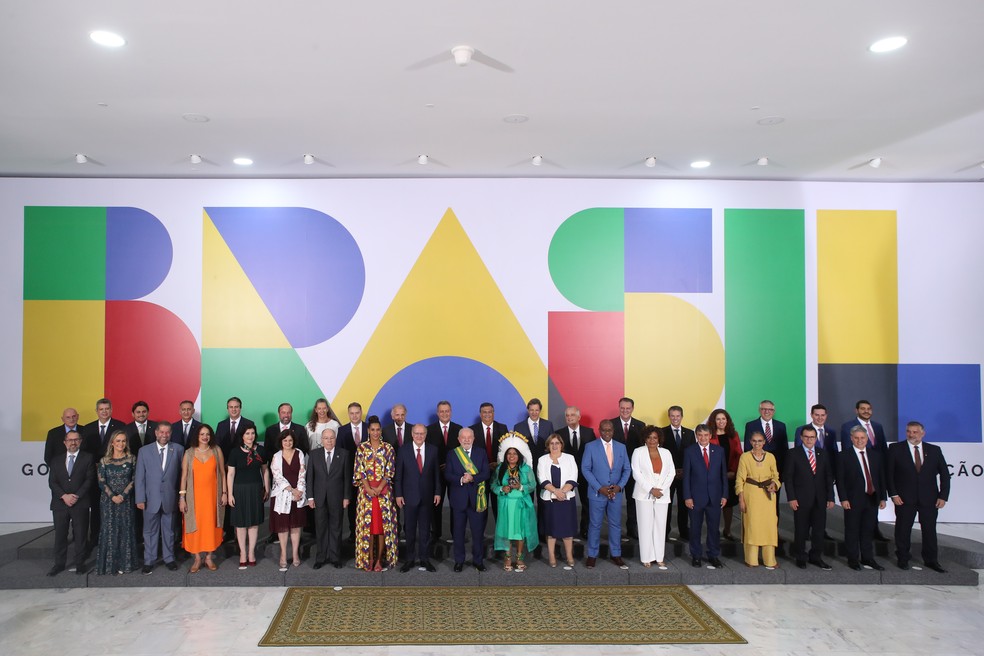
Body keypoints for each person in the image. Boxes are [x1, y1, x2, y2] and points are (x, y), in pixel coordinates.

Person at [886, 421, 950, 573]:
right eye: (908, 431)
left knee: (929, 530)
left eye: (915, 432)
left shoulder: (934, 450)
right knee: (903, 530)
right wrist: (893, 494)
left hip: (930, 499)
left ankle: (931, 560)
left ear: (923, 433)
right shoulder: (895, 448)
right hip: (903, 498)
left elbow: (945, 475)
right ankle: (903, 558)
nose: (911, 434)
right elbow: (889, 474)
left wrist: (943, 496)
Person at [582, 420, 631, 569]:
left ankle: (616, 554)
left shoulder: (621, 447)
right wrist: (599, 488)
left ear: (613, 430)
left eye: (609, 430)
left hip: (615, 494)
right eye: (604, 430)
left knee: (616, 525)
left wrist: (619, 486)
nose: (607, 433)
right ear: (599, 430)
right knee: (595, 525)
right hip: (597, 494)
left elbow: (627, 469)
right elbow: (585, 469)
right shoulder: (590, 447)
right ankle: (592, 555)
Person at [784, 425, 835, 570]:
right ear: (801, 438)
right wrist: (791, 498)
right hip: (800, 499)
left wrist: (831, 497)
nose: (809, 439)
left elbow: (828, 477)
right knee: (801, 530)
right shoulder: (793, 453)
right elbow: (788, 478)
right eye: (806, 437)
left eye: (812, 437)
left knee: (819, 530)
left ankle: (816, 557)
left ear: (816, 438)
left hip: (820, 499)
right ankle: (800, 556)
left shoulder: (822, 453)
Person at [135, 421, 183, 574]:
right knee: (149, 531)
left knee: (169, 531)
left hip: (170, 498)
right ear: (156, 433)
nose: (164, 435)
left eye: (167, 432)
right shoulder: (144, 451)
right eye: (161, 432)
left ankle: (169, 558)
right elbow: (140, 477)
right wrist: (140, 498)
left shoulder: (179, 449)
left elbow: (182, 476)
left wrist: (181, 496)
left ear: (171, 433)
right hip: (150, 499)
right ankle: (149, 560)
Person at [837, 425, 887, 571]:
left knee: (868, 529)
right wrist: (843, 498)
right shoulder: (843, 456)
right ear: (851, 438)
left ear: (867, 439)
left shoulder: (876, 455)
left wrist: (882, 497)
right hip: (852, 499)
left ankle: (868, 558)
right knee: (852, 530)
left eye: (862, 438)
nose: (860, 440)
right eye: (856, 438)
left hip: (871, 498)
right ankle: (853, 559)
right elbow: (840, 480)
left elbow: (880, 478)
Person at [840, 399, 890, 541]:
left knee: (872, 508)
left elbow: (883, 448)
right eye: (863, 408)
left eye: (868, 408)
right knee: (855, 521)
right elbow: (847, 450)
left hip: (874, 469)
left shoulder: (878, 427)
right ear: (857, 410)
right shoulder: (847, 426)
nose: (866, 411)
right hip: (857, 473)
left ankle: (875, 530)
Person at [179, 424, 226, 573]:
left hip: (213, 497)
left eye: (207, 434)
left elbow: (223, 474)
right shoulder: (189, 453)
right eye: (202, 434)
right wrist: (182, 497)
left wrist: (224, 492)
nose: (205, 437)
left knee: (211, 526)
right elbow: (184, 476)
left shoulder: (216, 451)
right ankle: (197, 558)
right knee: (195, 527)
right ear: (197, 437)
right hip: (194, 499)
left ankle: (209, 557)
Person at [354, 415, 398, 571]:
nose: (375, 432)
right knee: (368, 528)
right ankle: (368, 559)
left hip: (383, 493)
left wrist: (379, 488)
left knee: (381, 529)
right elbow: (359, 471)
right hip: (366, 495)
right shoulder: (361, 448)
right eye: (372, 429)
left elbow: (390, 471)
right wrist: (368, 488)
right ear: (368, 430)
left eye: (378, 429)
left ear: (381, 431)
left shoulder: (388, 448)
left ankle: (379, 559)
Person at [81, 398, 125, 551]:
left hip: (114, 476)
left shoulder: (120, 426)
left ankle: (114, 538)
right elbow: (84, 452)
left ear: (111, 410)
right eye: (101, 409)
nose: (104, 411)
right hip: (93, 476)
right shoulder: (87, 428)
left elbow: (123, 450)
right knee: (95, 507)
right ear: (97, 411)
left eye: (107, 409)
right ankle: (95, 538)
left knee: (114, 508)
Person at [47, 430, 93, 576]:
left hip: (80, 503)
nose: (73, 442)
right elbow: (52, 482)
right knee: (60, 535)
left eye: (76, 440)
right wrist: (64, 496)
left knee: (80, 535)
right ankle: (59, 564)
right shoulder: (55, 460)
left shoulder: (88, 458)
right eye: (70, 440)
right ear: (65, 442)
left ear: (80, 441)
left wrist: (77, 496)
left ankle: (80, 564)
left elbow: (89, 480)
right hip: (60, 504)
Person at [395, 424, 441, 572]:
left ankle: (424, 559)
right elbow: (399, 476)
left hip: (427, 497)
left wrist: (437, 492)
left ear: (425, 435)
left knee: (425, 530)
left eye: (422, 433)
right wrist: (398, 494)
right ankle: (409, 559)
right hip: (409, 497)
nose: (419, 436)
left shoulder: (433, 450)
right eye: (416, 433)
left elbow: (436, 475)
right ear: (412, 434)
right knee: (409, 530)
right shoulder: (403, 450)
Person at [444, 427, 490, 572]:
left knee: (477, 533)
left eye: (469, 437)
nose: (466, 440)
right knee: (458, 533)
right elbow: (447, 475)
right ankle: (459, 560)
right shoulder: (452, 454)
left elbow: (486, 473)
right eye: (463, 437)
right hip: (459, 500)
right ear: (459, 439)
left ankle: (478, 560)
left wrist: (473, 478)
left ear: (473, 438)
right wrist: (461, 479)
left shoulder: (481, 452)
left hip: (477, 499)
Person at [683, 424, 728, 568]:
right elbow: (687, 477)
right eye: (700, 435)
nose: (703, 438)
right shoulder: (690, 451)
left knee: (714, 529)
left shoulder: (719, 451)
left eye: (705, 435)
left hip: (715, 497)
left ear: (710, 436)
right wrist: (687, 497)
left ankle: (713, 555)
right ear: (696, 436)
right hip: (695, 498)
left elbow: (723, 475)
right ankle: (696, 555)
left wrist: (724, 495)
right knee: (695, 528)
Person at [307, 427, 352, 570]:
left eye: (331, 438)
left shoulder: (344, 454)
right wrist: (310, 497)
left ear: (335, 439)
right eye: (326, 438)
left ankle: (335, 557)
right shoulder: (314, 454)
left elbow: (347, 478)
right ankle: (320, 557)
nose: (329, 441)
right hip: (319, 497)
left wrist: (346, 497)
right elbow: (310, 478)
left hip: (337, 497)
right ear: (321, 440)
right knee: (320, 528)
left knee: (336, 527)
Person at [735, 432, 781, 568]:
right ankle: (751, 559)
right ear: (750, 442)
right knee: (752, 526)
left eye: (760, 441)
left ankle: (770, 559)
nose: (757, 444)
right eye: (754, 441)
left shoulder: (771, 457)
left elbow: (776, 476)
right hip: (751, 495)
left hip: (768, 496)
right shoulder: (745, 457)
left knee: (769, 526)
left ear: (764, 442)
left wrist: (775, 485)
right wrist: (741, 499)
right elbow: (739, 479)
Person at [631, 425, 675, 569]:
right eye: (649, 437)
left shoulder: (666, 452)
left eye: (655, 437)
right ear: (645, 438)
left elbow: (671, 473)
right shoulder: (638, 452)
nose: (652, 440)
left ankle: (659, 557)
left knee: (660, 526)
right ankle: (646, 557)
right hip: (644, 494)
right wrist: (651, 489)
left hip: (662, 493)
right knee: (645, 525)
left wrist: (660, 489)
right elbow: (636, 473)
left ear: (659, 439)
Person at [96, 430, 138, 575]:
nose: (121, 444)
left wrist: (123, 495)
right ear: (112, 443)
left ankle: (125, 565)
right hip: (108, 502)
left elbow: (134, 479)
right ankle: (109, 566)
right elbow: (101, 482)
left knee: (125, 530)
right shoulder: (104, 461)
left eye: (123, 441)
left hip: (126, 502)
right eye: (118, 441)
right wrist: (113, 496)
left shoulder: (131, 458)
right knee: (110, 530)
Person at [226, 426, 269, 568]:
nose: (250, 436)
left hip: (255, 489)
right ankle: (243, 553)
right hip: (239, 490)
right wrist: (230, 493)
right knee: (240, 524)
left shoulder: (261, 451)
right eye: (247, 433)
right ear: (242, 436)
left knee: (253, 523)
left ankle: (251, 553)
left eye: (252, 433)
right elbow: (230, 474)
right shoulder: (235, 452)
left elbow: (265, 470)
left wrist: (267, 487)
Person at [492, 440, 538, 571]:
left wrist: (521, 486)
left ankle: (519, 557)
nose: (511, 456)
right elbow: (493, 485)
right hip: (506, 504)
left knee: (520, 532)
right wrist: (501, 489)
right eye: (509, 453)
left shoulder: (526, 469)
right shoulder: (500, 469)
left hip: (520, 504)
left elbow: (533, 484)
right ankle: (507, 557)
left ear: (519, 455)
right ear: (505, 455)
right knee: (507, 530)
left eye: (515, 454)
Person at [536, 433, 578, 567]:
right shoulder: (542, 460)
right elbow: (542, 478)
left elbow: (573, 476)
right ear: (548, 446)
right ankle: (552, 556)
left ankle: (569, 555)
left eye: (557, 443)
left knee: (567, 530)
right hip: (550, 500)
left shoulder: (570, 458)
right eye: (552, 443)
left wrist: (563, 492)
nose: (554, 446)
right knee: (551, 531)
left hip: (566, 499)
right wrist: (555, 491)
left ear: (561, 445)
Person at [270, 429, 308, 571]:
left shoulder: (299, 454)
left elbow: (302, 473)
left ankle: (295, 554)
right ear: (281, 442)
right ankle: (283, 554)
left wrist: (299, 491)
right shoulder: (276, 456)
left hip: (297, 494)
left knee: (296, 526)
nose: (288, 443)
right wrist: (291, 490)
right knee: (283, 526)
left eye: (290, 440)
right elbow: (277, 477)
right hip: (282, 494)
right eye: (285, 440)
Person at [426, 400, 462, 543]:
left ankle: (455, 534)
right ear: (437, 413)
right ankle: (436, 534)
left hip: (455, 475)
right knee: (435, 505)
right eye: (442, 411)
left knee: (456, 505)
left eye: (447, 411)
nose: (445, 414)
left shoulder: (459, 429)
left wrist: (451, 465)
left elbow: (462, 453)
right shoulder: (429, 430)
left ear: (451, 412)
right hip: (436, 475)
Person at [611, 397, 645, 539]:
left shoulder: (640, 425)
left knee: (632, 501)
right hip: (615, 470)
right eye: (622, 408)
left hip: (633, 470)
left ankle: (632, 529)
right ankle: (614, 530)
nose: (625, 410)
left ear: (632, 409)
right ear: (619, 408)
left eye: (628, 408)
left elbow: (644, 449)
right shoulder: (611, 424)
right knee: (614, 501)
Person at [661, 405, 695, 541]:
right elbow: (661, 454)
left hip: (684, 476)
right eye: (672, 416)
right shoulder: (662, 432)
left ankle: (683, 531)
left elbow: (692, 454)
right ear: (669, 417)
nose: (675, 418)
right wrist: (672, 471)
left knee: (683, 505)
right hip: (668, 475)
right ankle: (665, 532)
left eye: (678, 416)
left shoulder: (690, 433)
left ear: (682, 417)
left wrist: (684, 471)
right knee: (666, 505)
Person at [708, 408, 742, 541]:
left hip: (730, 475)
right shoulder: (709, 435)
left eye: (723, 419)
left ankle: (727, 530)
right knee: (714, 505)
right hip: (713, 477)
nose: (721, 421)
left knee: (728, 504)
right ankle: (714, 531)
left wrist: (733, 471)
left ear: (727, 421)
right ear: (713, 421)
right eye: (718, 419)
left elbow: (738, 454)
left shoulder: (734, 435)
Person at [561, 406, 595, 538]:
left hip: (585, 474)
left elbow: (593, 455)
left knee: (586, 503)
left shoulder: (589, 433)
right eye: (567, 415)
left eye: (572, 415)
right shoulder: (560, 433)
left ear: (579, 417)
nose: (569, 418)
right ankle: (565, 530)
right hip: (566, 475)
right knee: (564, 503)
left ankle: (585, 530)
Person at [336, 401, 367, 539]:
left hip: (368, 475)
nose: (354, 416)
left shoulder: (370, 429)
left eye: (357, 413)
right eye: (352, 413)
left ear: (361, 413)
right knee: (352, 504)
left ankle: (366, 531)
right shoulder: (342, 431)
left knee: (367, 504)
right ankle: (353, 532)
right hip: (349, 474)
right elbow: (339, 454)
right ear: (348, 414)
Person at [215, 396, 256, 461]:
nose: (233, 409)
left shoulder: (249, 424)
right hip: (225, 462)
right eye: (231, 407)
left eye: (236, 407)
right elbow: (217, 445)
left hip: (243, 462)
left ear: (240, 408)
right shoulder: (221, 425)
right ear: (227, 409)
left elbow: (251, 445)